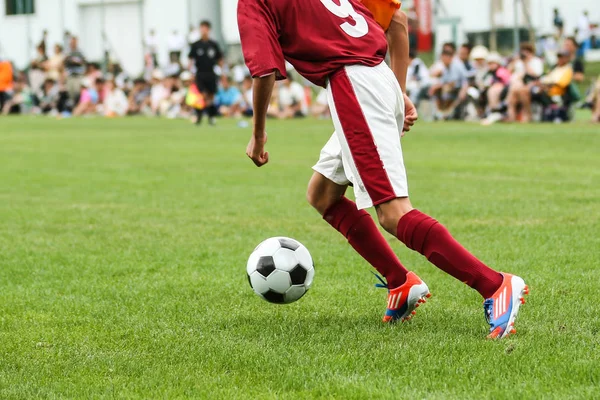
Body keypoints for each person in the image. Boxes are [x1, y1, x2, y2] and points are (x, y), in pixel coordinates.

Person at [238, 0, 528, 339]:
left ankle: (495, 286)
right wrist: (398, 92)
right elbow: (399, 22)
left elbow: (263, 71)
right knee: (322, 194)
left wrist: (258, 135)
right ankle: (401, 282)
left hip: (354, 88)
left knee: (393, 213)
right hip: (377, 77)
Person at [188, 20, 223, 125]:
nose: (204, 31)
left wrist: (221, 71)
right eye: (202, 28)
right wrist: (190, 72)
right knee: (203, 95)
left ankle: (210, 117)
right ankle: (200, 115)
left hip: (211, 73)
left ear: (209, 30)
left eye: (205, 28)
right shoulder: (196, 45)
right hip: (200, 73)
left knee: (211, 96)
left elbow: (220, 59)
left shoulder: (213, 44)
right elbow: (190, 59)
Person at [506, 43, 544, 122]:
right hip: (516, 85)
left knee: (521, 90)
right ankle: (511, 115)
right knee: (514, 90)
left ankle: (526, 115)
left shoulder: (536, 61)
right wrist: (514, 61)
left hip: (531, 84)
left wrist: (526, 63)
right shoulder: (518, 61)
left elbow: (536, 75)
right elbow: (508, 71)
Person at [63, 36, 86, 105]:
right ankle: (72, 107)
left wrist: (74, 61)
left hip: (77, 74)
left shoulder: (80, 52)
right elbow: (65, 62)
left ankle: (77, 105)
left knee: (77, 91)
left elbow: (82, 62)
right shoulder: (67, 52)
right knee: (70, 91)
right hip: (70, 74)